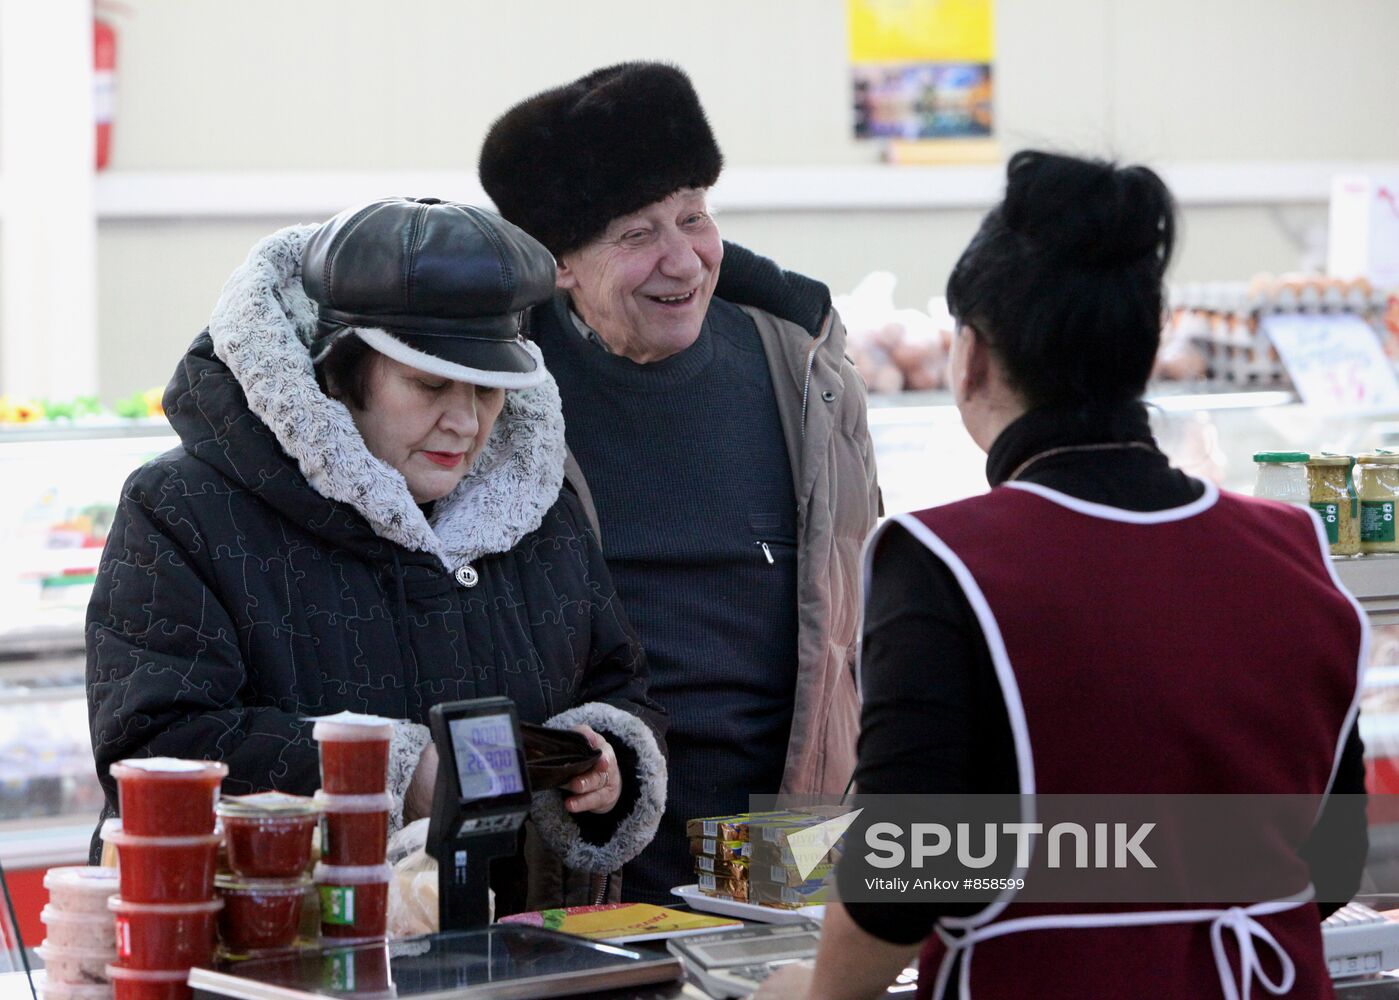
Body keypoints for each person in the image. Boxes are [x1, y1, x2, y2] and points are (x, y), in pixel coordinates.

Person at [758, 152, 1368, 999]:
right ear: (1144, 352)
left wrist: (813, 992)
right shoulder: (1293, 548)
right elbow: (1331, 861)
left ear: (969, 358)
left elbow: (905, 877)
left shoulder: (945, 560)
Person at [86, 197, 667, 913]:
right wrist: (391, 773)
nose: (465, 421)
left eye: (489, 391)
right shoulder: (183, 506)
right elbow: (155, 746)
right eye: (428, 385)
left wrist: (605, 764)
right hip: (272, 951)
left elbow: (619, 683)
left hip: (511, 947)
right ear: (336, 372)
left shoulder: (540, 509)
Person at [478, 62, 881, 903]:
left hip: (776, 855)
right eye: (635, 235)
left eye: (693, 217)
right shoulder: (493, 393)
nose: (684, 261)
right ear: (558, 265)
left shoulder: (800, 369)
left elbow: (851, 615)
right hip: (574, 857)